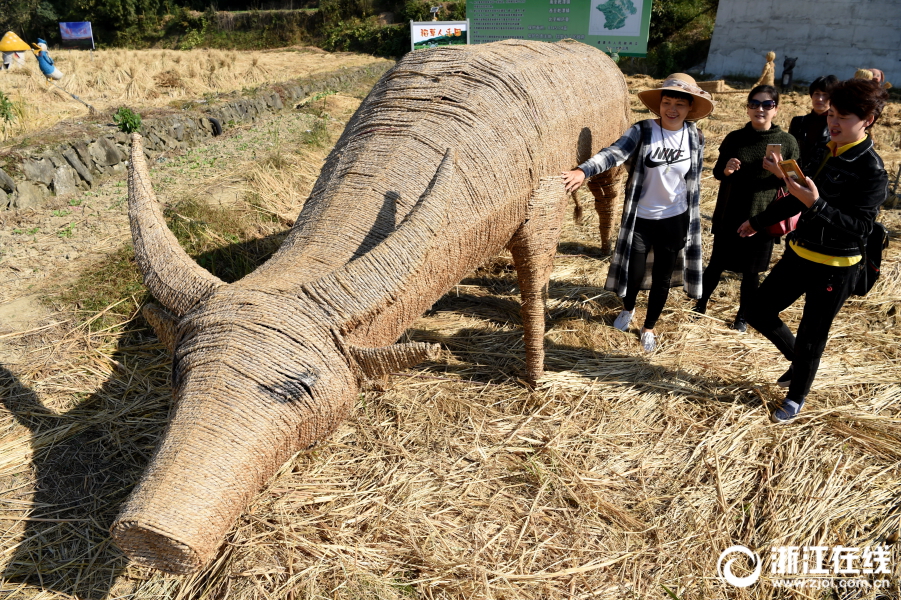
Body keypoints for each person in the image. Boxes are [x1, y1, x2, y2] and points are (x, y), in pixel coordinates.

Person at [736, 78, 889, 423]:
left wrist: (817, 205)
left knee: (811, 336)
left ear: (868, 120)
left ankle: (796, 396)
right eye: (832, 114)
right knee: (758, 311)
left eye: (844, 117)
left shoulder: (872, 170)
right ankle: (799, 364)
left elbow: (862, 227)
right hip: (799, 254)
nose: (834, 122)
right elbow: (795, 195)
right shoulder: (824, 148)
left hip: (836, 266)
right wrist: (759, 221)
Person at [562, 73, 714, 352]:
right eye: (667, 102)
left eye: (680, 104)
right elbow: (614, 153)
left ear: (690, 108)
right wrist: (583, 170)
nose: (672, 109)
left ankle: (649, 327)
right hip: (641, 218)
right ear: (659, 104)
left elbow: (692, 181)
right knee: (634, 274)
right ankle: (629, 308)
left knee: (663, 278)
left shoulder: (695, 136)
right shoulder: (642, 131)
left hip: (675, 219)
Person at [693, 85, 799, 331]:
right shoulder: (735, 138)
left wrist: (778, 171)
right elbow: (719, 171)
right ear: (748, 107)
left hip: (763, 216)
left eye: (767, 105)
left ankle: (743, 316)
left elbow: (796, 182)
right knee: (716, 265)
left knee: (751, 274)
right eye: (754, 104)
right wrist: (727, 168)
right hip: (730, 211)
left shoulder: (787, 141)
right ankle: (699, 306)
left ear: (776, 109)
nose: (759, 109)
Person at [789, 75, 837, 172]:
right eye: (817, 93)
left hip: (822, 179)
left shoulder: (837, 125)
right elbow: (789, 152)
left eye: (825, 94)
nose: (819, 99)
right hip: (796, 177)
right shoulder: (798, 122)